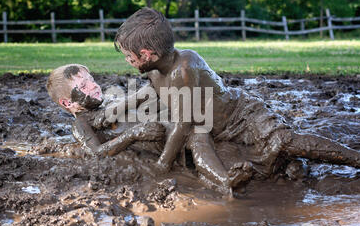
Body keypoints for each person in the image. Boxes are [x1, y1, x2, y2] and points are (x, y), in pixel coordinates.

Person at [113, 7, 360, 192]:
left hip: (242, 115)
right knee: (216, 152)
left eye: (129, 57)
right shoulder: (156, 73)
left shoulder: (184, 66)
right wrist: (118, 107)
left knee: (284, 141)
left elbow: (183, 123)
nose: (128, 62)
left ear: (147, 54)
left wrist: (162, 164)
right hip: (215, 129)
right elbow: (151, 94)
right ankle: (234, 181)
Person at [46, 64, 252, 195]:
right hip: (155, 142)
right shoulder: (81, 124)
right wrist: (133, 134)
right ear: (68, 103)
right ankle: (225, 181)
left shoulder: (108, 102)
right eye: (84, 86)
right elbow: (96, 153)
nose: (94, 86)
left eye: (91, 80)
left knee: (197, 131)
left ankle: (221, 180)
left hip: (166, 131)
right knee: (194, 134)